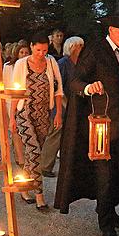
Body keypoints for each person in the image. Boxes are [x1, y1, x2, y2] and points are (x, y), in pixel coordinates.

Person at [55, 16, 119, 236]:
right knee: (105, 176)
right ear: (111, 30)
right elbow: (74, 81)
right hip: (102, 126)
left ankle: (109, 209)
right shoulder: (95, 51)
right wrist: (88, 87)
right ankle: (105, 225)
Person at [11, 32, 64, 210]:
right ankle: (39, 194)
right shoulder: (21, 64)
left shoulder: (51, 63)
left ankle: (24, 187)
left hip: (43, 113)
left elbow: (58, 89)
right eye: (38, 49)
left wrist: (57, 114)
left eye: (45, 50)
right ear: (32, 47)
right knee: (34, 153)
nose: (41, 53)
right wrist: (12, 117)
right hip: (24, 111)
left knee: (34, 154)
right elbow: (14, 92)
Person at [39, 36, 84, 178]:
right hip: (61, 107)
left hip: (74, 107)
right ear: (72, 48)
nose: (82, 49)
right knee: (55, 136)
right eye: (80, 46)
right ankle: (45, 166)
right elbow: (57, 87)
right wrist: (66, 105)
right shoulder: (63, 63)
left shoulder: (79, 64)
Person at [4, 42, 31, 165]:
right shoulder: (9, 67)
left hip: (28, 103)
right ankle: (20, 159)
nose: (24, 55)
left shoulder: (32, 67)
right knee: (16, 131)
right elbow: (7, 86)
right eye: (22, 52)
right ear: (17, 53)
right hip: (13, 103)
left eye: (26, 53)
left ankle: (28, 158)